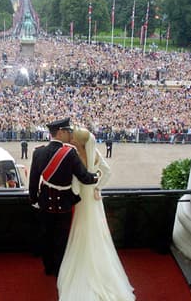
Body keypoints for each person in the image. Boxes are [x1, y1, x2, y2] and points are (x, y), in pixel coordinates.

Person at [57, 127, 135, 300]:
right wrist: (98, 187)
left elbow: (76, 186)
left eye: (74, 139)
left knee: (82, 228)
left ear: (78, 142)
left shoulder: (76, 157)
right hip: (94, 198)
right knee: (97, 230)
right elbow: (107, 172)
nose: (72, 140)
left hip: (83, 200)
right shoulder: (96, 154)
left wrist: (72, 193)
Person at [29, 118, 99, 277]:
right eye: (68, 132)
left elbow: (33, 181)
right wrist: (96, 177)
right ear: (60, 132)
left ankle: (48, 268)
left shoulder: (38, 152)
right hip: (64, 205)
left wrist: (34, 200)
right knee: (61, 239)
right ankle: (59, 271)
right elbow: (85, 178)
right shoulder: (70, 153)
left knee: (46, 236)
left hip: (45, 202)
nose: (70, 134)